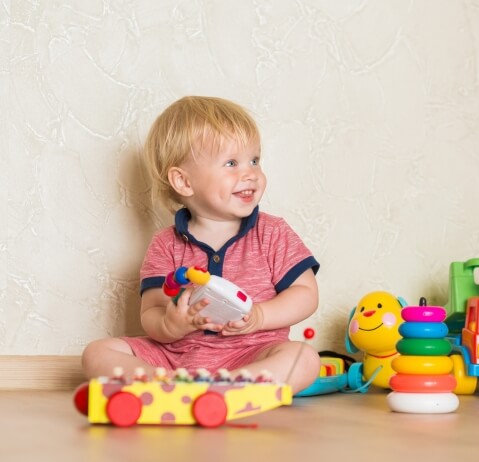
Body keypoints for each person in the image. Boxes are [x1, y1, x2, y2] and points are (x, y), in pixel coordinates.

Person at [82, 96, 321, 394]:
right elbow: (152, 312)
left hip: (251, 354)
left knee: (305, 359)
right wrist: (171, 326)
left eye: (255, 160)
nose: (251, 173)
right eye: (232, 163)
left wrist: (260, 316)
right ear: (183, 182)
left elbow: (306, 294)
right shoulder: (166, 244)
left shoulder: (272, 233)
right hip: (175, 359)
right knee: (97, 353)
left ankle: (226, 390)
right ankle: (169, 388)